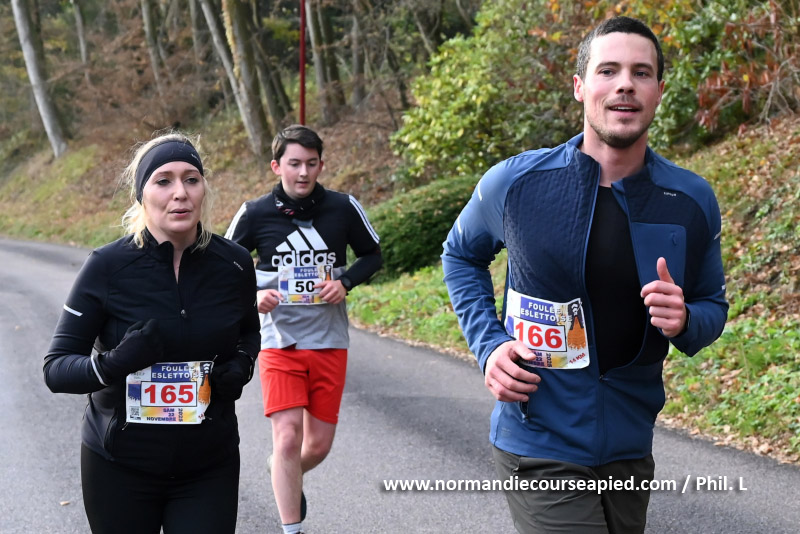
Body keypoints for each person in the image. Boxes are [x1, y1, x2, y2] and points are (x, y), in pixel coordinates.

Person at [442, 16, 728, 534]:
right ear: (580, 86)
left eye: (641, 73)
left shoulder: (690, 200)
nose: (625, 84)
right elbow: (461, 255)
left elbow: (712, 306)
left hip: (629, 448)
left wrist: (685, 318)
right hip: (538, 443)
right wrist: (489, 346)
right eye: (608, 70)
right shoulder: (517, 183)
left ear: (659, 91)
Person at [44, 132, 260, 534]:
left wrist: (242, 365)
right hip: (119, 468)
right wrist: (114, 363)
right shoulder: (107, 267)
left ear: (204, 189)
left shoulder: (233, 264)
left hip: (208, 466)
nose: (180, 193)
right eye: (164, 181)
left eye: (191, 179)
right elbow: (56, 369)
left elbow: (249, 332)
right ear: (141, 195)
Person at [225, 124, 382, 534]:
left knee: (317, 446)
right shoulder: (255, 213)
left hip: (329, 339)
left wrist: (345, 283)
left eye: (311, 164)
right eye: (294, 163)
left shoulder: (343, 207)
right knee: (288, 438)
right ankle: (291, 527)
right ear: (276, 166)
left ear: (321, 166)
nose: (303, 173)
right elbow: (222, 267)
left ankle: (282, 468)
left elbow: (372, 255)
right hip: (279, 341)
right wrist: (253, 297)